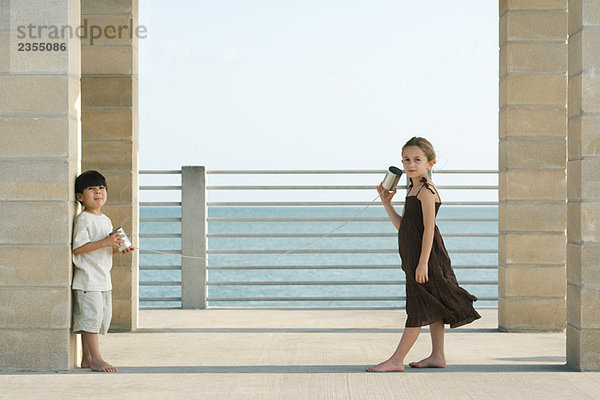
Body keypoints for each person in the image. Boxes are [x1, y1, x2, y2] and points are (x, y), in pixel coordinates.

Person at [366, 137, 481, 372]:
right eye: (406, 159)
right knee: (434, 304)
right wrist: (387, 203)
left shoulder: (426, 191)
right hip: (415, 258)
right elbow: (404, 226)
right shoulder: (412, 190)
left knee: (417, 308)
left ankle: (396, 360)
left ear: (430, 163)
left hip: (427, 259)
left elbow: (429, 229)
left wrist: (423, 263)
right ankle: (437, 356)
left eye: (417, 159)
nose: (411, 164)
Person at [72, 170, 134, 372]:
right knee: (90, 321)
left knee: (97, 319)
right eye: (91, 189)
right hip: (88, 280)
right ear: (80, 197)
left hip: (103, 280)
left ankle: (87, 359)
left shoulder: (105, 220)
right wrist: (105, 241)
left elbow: (103, 250)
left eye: (101, 188)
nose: (98, 192)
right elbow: (78, 248)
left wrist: (118, 249)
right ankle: (97, 360)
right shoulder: (84, 219)